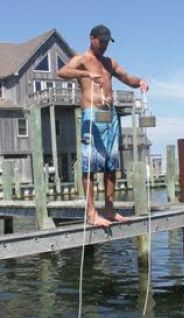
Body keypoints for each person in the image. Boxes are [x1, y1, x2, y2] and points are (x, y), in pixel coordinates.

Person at [58, 24, 149, 227]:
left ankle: (109, 210)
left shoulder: (110, 63)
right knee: (90, 164)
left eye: (108, 42)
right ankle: (91, 213)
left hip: (111, 115)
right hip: (92, 115)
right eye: (102, 41)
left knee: (111, 165)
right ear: (92, 38)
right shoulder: (82, 60)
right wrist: (86, 74)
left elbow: (127, 78)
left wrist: (140, 81)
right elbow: (62, 71)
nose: (105, 46)